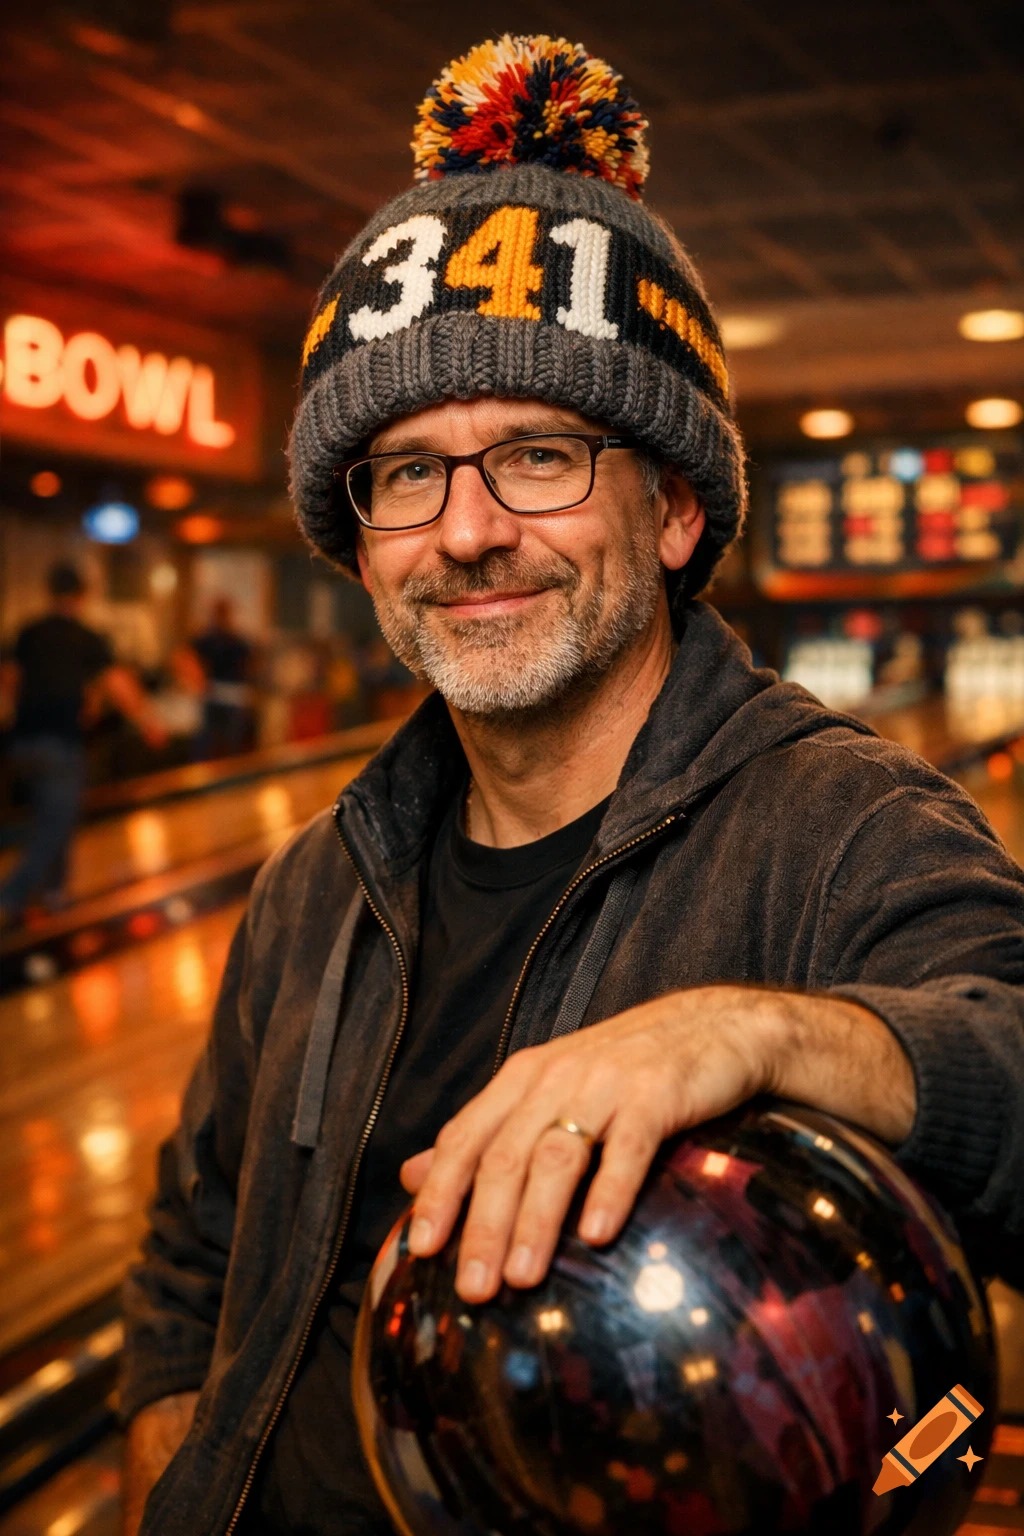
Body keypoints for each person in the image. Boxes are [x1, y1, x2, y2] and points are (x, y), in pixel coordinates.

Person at [120, 35, 1024, 1536]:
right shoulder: (313, 884)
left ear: (674, 507)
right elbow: (196, 1246)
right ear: (361, 538)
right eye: (406, 472)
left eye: (537, 455)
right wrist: (171, 1462)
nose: (466, 530)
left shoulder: (851, 834)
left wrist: (749, 1033)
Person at [0, 561, 164, 923]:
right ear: (81, 596)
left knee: (52, 816)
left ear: (50, 593)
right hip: (60, 744)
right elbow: (119, 685)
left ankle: (56, 895)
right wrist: (149, 723)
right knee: (56, 823)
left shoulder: (28, 632)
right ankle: (10, 895)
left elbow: (10, 680)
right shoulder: (86, 638)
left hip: (23, 744)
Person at [190, 597, 255, 759]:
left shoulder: (235, 640)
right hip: (215, 694)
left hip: (231, 696)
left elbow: (250, 664)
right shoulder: (208, 639)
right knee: (209, 744)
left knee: (230, 746)